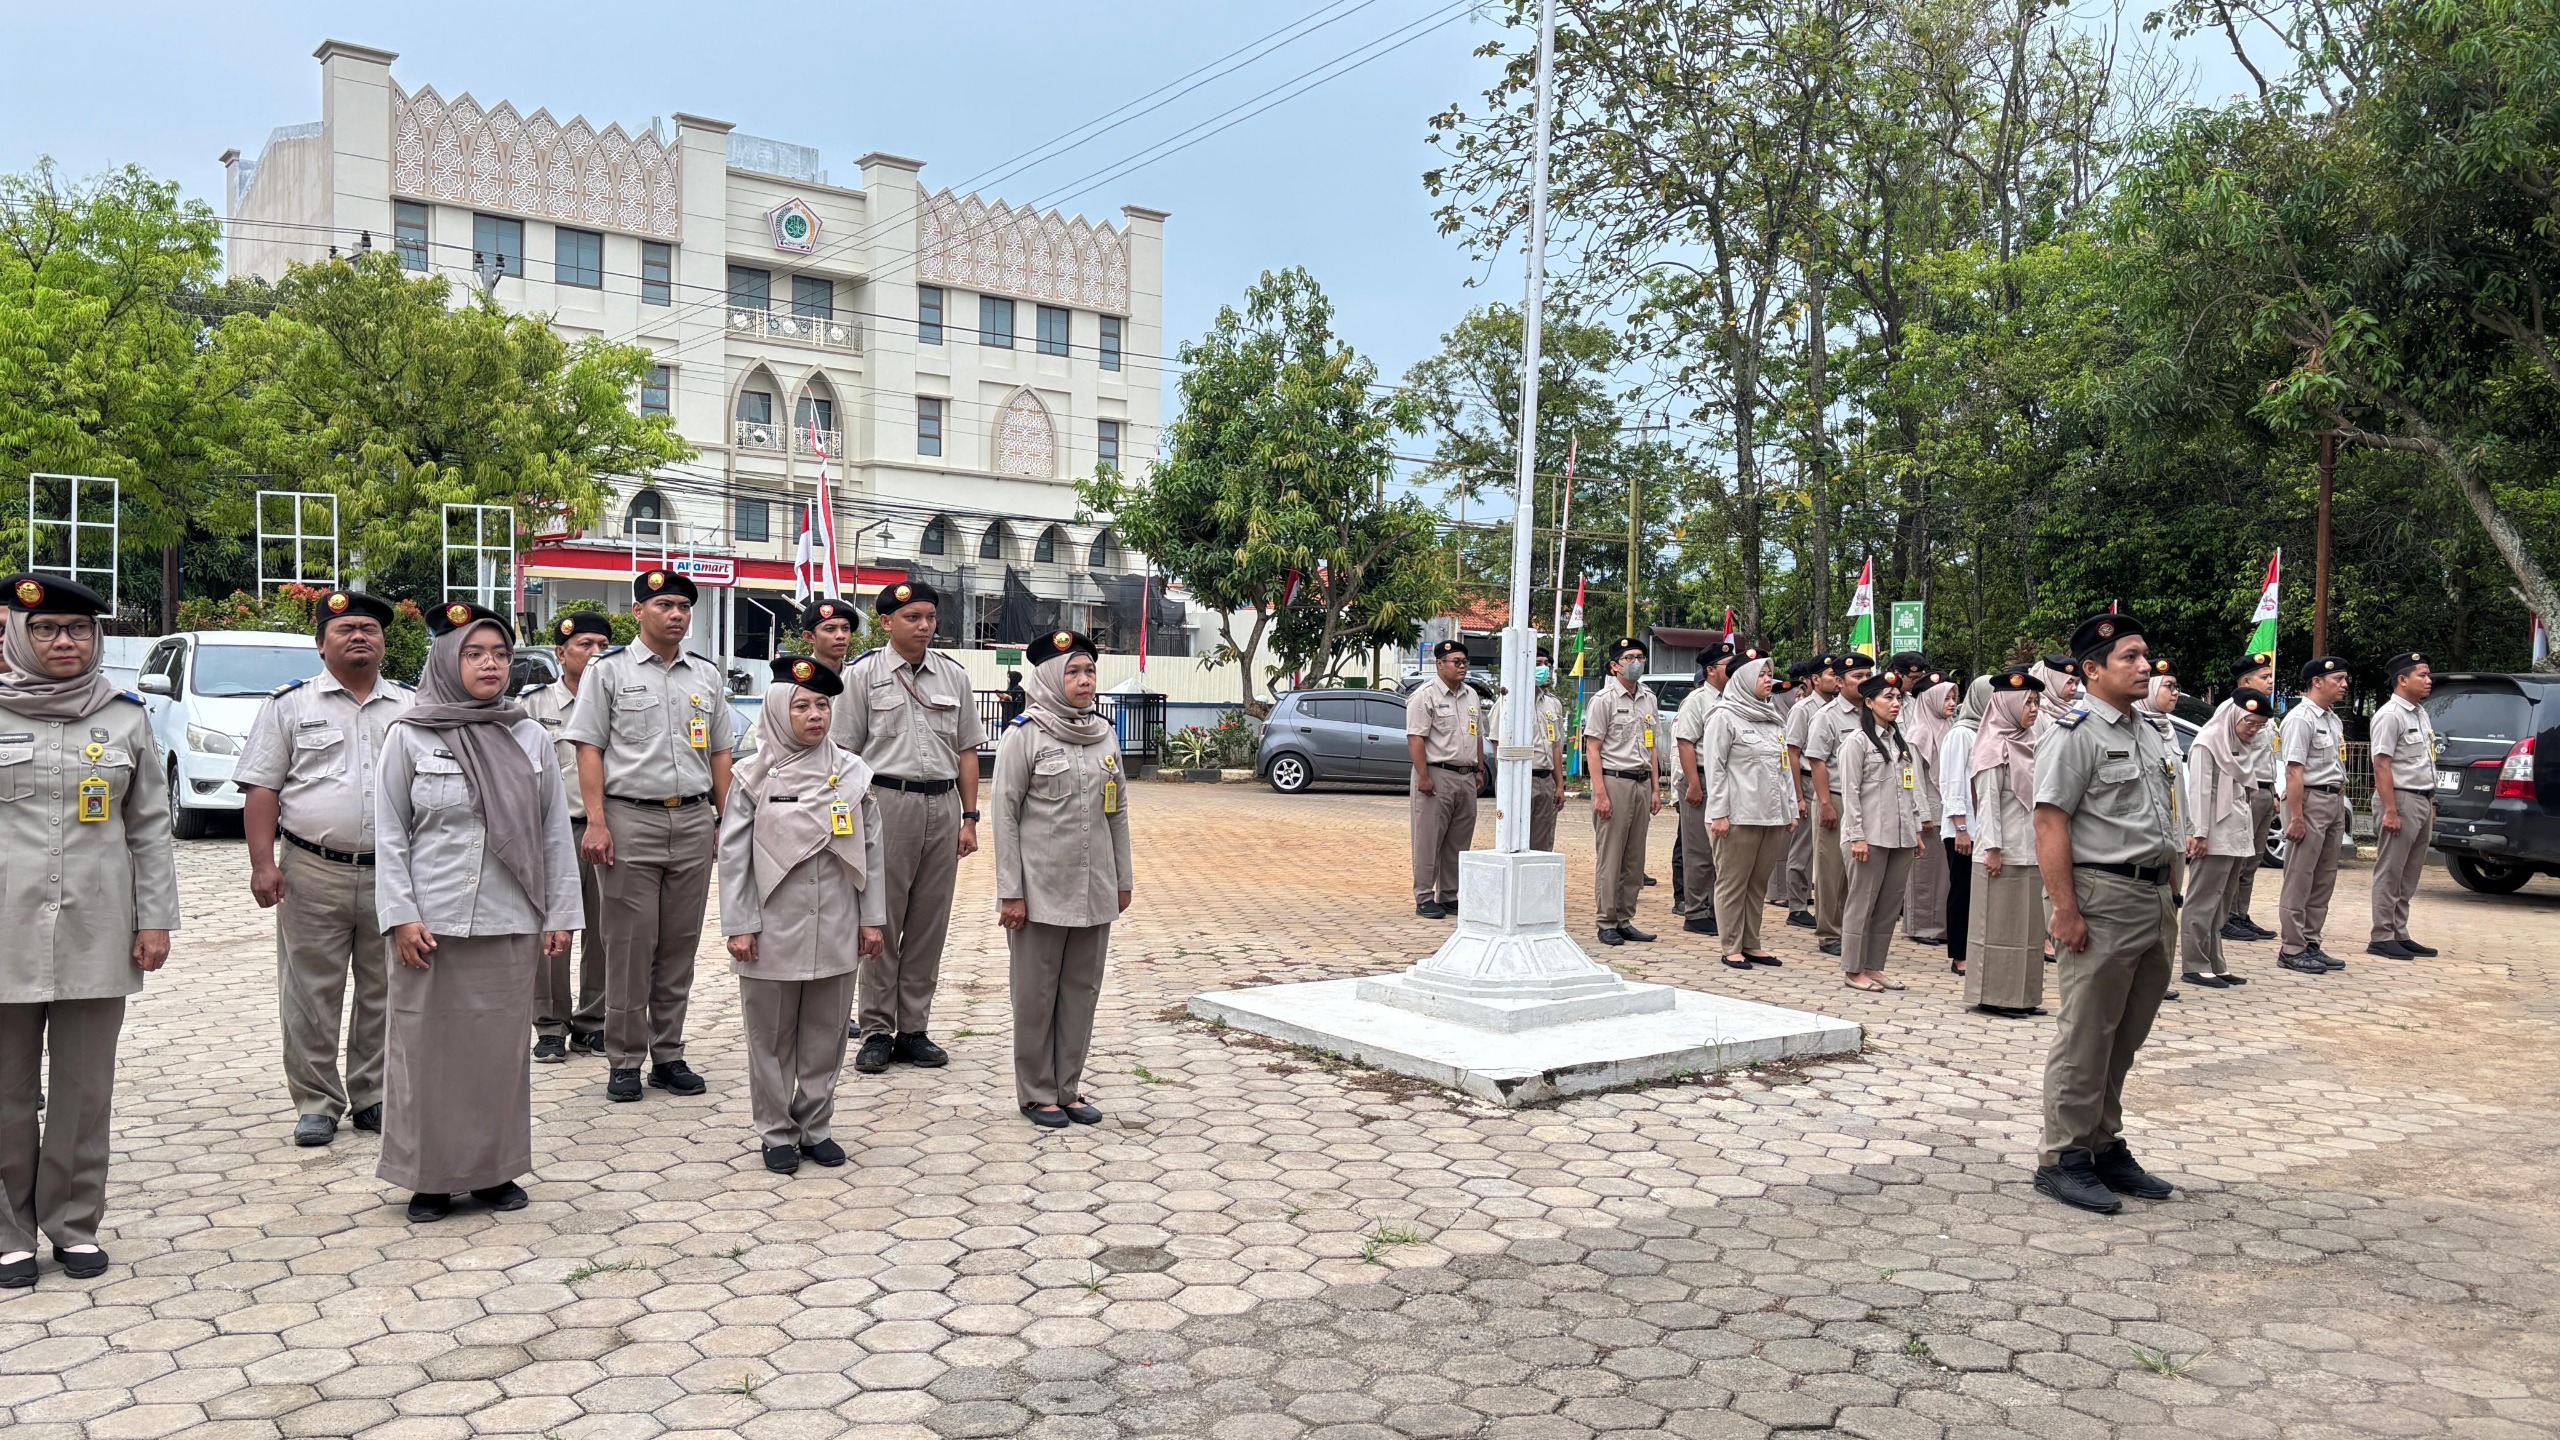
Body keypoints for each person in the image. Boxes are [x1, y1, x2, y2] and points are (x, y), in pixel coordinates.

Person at [373, 603, 580, 1223]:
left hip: (507, 917)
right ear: (446, 660)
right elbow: (390, 833)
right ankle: (429, 1178)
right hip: (430, 924)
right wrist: (400, 914)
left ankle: (494, 1171)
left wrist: (560, 914)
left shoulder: (529, 735)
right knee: (424, 1053)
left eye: (500, 654)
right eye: (474, 654)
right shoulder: (410, 734)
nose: (490, 665)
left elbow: (553, 832)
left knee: (497, 1055)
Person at [0, 575, 176, 1288]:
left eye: (77, 628)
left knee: (83, 1090)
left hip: (97, 930)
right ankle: (8, 1232)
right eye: (45, 629)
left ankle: (73, 1224)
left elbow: (150, 829)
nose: (63, 641)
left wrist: (155, 918)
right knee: (6, 1091)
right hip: (5, 931)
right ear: (16, 635)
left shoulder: (125, 718)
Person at [235, 589, 413, 1146]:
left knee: (386, 989)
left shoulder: (410, 706)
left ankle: (373, 1095)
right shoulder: (289, 706)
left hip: (393, 872)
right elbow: (262, 788)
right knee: (310, 993)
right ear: (320, 644)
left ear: (383, 642)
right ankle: (316, 1102)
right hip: (312, 869)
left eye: (369, 629)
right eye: (345, 629)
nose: (359, 636)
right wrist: (262, 864)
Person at [565, 569, 733, 1102]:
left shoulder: (705, 675)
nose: (676, 614)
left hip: (692, 819)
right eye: (664, 605)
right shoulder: (608, 671)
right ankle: (624, 1060)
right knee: (630, 947)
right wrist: (596, 821)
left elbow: (720, 752)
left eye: (684, 606)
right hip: (629, 819)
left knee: (680, 946)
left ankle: (669, 1055)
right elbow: (588, 747)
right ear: (638, 611)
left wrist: (725, 820)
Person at [2031, 611, 2180, 1215]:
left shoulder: (2147, 729)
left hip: (2152, 897)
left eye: (2146, 656)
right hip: (2102, 897)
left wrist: (2172, 888)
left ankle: (2102, 1142)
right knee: (2086, 1032)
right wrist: (2064, 910)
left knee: (2126, 1033)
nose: (2145, 667)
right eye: (2130, 658)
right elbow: (2049, 822)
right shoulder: (2075, 732)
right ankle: (2063, 1156)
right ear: (2092, 670)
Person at [719, 657, 885, 1173]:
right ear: (776, 711)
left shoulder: (852, 773)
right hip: (771, 927)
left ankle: (816, 1127)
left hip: (836, 921)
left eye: (822, 706)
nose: (815, 715)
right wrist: (739, 925)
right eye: (801, 706)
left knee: (827, 1033)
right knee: (769, 1037)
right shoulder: (751, 776)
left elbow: (872, 850)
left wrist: (871, 918)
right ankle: (775, 1131)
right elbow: (733, 856)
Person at [839, 580, 985, 1068]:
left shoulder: (953, 676)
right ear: (886, 622)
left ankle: (914, 1028)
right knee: (882, 918)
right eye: (912, 618)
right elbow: (844, 753)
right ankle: (877, 1029)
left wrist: (969, 816)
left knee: (929, 922)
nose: (924, 626)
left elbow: (967, 751)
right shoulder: (862, 675)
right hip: (885, 803)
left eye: (930, 617)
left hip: (942, 805)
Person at [995, 630, 1135, 1128]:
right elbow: (1005, 815)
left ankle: (1068, 1087)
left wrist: (1123, 879)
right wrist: (1010, 892)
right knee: (1035, 995)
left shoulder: (1104, 735)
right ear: (1051, 678)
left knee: (1080, 992)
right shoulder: (1024, 735)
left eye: (1089, 671)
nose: (1084, 681)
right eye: (1072, 672)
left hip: (1094, 887)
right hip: (1039, 891)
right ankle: (1037, 1092)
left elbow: (1117, 811)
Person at [518, 610, 613, 1062]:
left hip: (606, 829)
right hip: (553, 833)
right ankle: (550, 1024)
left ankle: (594, 1022)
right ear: (560, 652)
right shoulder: (532, 706)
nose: (595, 654)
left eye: (602, 646)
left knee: (605, 931)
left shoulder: (617, 700)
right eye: (584, 645)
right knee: (552, 930)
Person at [1699, 653, 1793, 971]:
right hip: (1737, 815)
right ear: (1743, 680)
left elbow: (1783, 769)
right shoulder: (1724, 717)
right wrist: (1719, 813)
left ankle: (1752, 943)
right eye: (1761, 675)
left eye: (1769, 674)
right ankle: (1731, 946)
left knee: (1758, 884)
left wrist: (1790, 809)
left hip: (1771, 816)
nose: (1768, 680)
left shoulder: (1772, 718)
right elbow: (1715, 769)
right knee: (1733, 882)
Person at [2182, 688, 2274, 987]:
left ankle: (2215, 961)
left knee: (2221, 903)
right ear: (2233, 716)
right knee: (2202, 901)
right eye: (2249, 723)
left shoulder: (2239, 748)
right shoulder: (2207, 743)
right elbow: (2198, 792)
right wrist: (2199, 833)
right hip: (2212, 835)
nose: (2253, 730)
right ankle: (2194, 964)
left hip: (2236, 833)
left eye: (2259, 725)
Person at [1968, 668, 2047, 1017]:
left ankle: (2024, 996)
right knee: (1998, 927)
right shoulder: (1992, 749)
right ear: (2008, 705)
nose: (2034, 709)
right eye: (2027, 702)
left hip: (2030, 850)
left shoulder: (2032, 743)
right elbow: (1988, 804)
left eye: (2036, 702)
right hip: (2001, 852)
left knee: (2028, 929)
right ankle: (1995, 995)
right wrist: (1992, 849)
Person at [1837, 674, 1922, 992]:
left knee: (1887, 907)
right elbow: (1850, 794)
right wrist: (1856, 836)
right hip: (1869, 837)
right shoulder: (1857, 742)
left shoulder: (1901, 743)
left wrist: (1916, 830)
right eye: (1888, 697)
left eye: (1898, 698)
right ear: (1869, 703)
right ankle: (1853, 969)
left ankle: (1874, 966)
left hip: (1900, 836)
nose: (1896, 703)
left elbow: (1909, 789)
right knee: (1862, 904)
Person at [2277, 656, 2352, 975]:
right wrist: (2296, 817)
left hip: (2332, 800)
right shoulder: (2300, 718)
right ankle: (2291, 947)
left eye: (2345, 679)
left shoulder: (2332, 719)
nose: (2344, 685)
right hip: (2309, 800)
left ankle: (2311, 941)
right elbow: (2294, 771)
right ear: (2317, 682)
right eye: (2338, 679)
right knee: (2300, 875)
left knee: (2324, 876)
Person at [1584, 639, 1663, 945]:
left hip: (1642, 782)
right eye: (1629, 657)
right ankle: (1606, 921)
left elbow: (1652, 746)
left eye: (1640, 657)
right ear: (1614, 666)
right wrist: (1600, 793)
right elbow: (1593, 749)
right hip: (1614, 781)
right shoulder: (1603, 700)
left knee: (1634, 858)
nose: (1636, 662)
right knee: (1611, 856)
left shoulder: (1648, 698)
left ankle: (1624, 918)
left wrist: (1656, 788)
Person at [2367, 653, 2441, 960]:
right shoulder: (2390, 715)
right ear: (2402, 680)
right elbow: (2381, 764)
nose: (2428, 680)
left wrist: (2431, 800)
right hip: (2400, 799)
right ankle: (2381, 935)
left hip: (2421, 798)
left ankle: (2399, 932)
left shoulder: (2420, 713)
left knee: (2409, 872)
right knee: (2391, 870)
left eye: (2428, 675)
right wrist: (2390, 810)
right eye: (2422, 675)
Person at [1802, 653, 1875, 956]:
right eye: (1857, 677)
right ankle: (1829, 933)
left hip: (1867, 800)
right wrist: (1825, 803)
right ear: (1840, 682)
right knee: (1831, 870)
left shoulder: (1874, 711)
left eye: (1867, 675)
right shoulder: (1827, 716)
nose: (1864, 681)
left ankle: (1853, 930)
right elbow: (1817, 761)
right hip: (1835, 797)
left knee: (1860, 870)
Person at [1406, 639, 1482, 920]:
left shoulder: (1471, 695)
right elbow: (1416, 737)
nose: (1462, 667)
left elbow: (1477, 735)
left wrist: (1479, 769)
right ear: (1440, 664)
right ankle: (1424, 896)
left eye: (1465, 662)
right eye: (1456, 662)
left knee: (1459, 840)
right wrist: (1423, 776)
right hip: (1436, 774)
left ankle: (1449, 895)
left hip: (1465, 775)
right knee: (1428, 839)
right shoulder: (1425, 695)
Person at [1671, 641, 1739, 935]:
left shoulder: (1734, 699)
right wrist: (1694, 784)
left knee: (1720, 852)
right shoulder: (1697, 701)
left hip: (1726, 781)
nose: (1734, 669)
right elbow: (1685, 743)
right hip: (1700, 778)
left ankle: (1714, 908)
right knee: (1698, 851)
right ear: (1711, 670)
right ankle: (1696, 912)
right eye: (1728, 665)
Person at [2219, 652, 2281, 942]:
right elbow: (2228, 757)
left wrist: (2274, 792)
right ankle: (2227, 915)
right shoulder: (2231, 711)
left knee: (2253, 859)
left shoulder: (2264, 713)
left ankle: (2241, 913)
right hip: (2246, 792)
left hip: (2265, 791)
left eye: (2270, 676)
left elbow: (2266, 757)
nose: (2270, 681)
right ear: (2246, 681)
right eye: (2264, 677)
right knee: (2237, 859)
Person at [1902, 671, 1959, 949]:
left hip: (1948, 810)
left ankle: (1941, 926)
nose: (1951, 703)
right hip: (1930, 814)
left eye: (1953, 697)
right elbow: (1912, 779)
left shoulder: (1950, 727)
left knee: (1943, 874)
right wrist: (1922, 814)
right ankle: (1921, 924)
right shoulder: (1918, 733)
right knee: (1925, 872)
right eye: (1945, 698)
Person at [1940, 676, 1991, 976]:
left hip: (1984, 828)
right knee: (1962, 891)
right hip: (1964, 829)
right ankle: (1959, 955)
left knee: (1980, 893)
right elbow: (1953, 781)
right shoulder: (1961, 734)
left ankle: (1977, 950)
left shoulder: (1990, 732)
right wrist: (1961, 827)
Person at [1776, 657, 1833, 926]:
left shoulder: (1843, 709)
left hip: (1835, 783)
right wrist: (1798, 795)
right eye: (1830, 674)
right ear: (1814, 680)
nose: (1836, 679)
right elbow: (1793, 754)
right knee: (1803, 848)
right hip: (1809, 782)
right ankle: (1797, 906)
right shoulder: (1803, 709)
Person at [1529, 646, 1567, 852]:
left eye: (1547, 665)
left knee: (1543, 842)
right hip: (1523, 779)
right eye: (1537, 664)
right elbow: (1498, 745)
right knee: (1519, 840)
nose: (1544, 669)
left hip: (1546, 780)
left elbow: (1556, 745)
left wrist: (1559, 784)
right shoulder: (1510, 701)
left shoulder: (1552, 704)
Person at [800, 595, 858, 674]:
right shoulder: (797, 679)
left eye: (845, 628)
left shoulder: (858, 677)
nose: (841, 636)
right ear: (809, 637)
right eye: (830, 629)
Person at [2031, 655, 2081, 738]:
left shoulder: (2072, 708)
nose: (2074, 688)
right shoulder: (2035, 714)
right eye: (2069, 682)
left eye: (2077, 683)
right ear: (2052, 681)